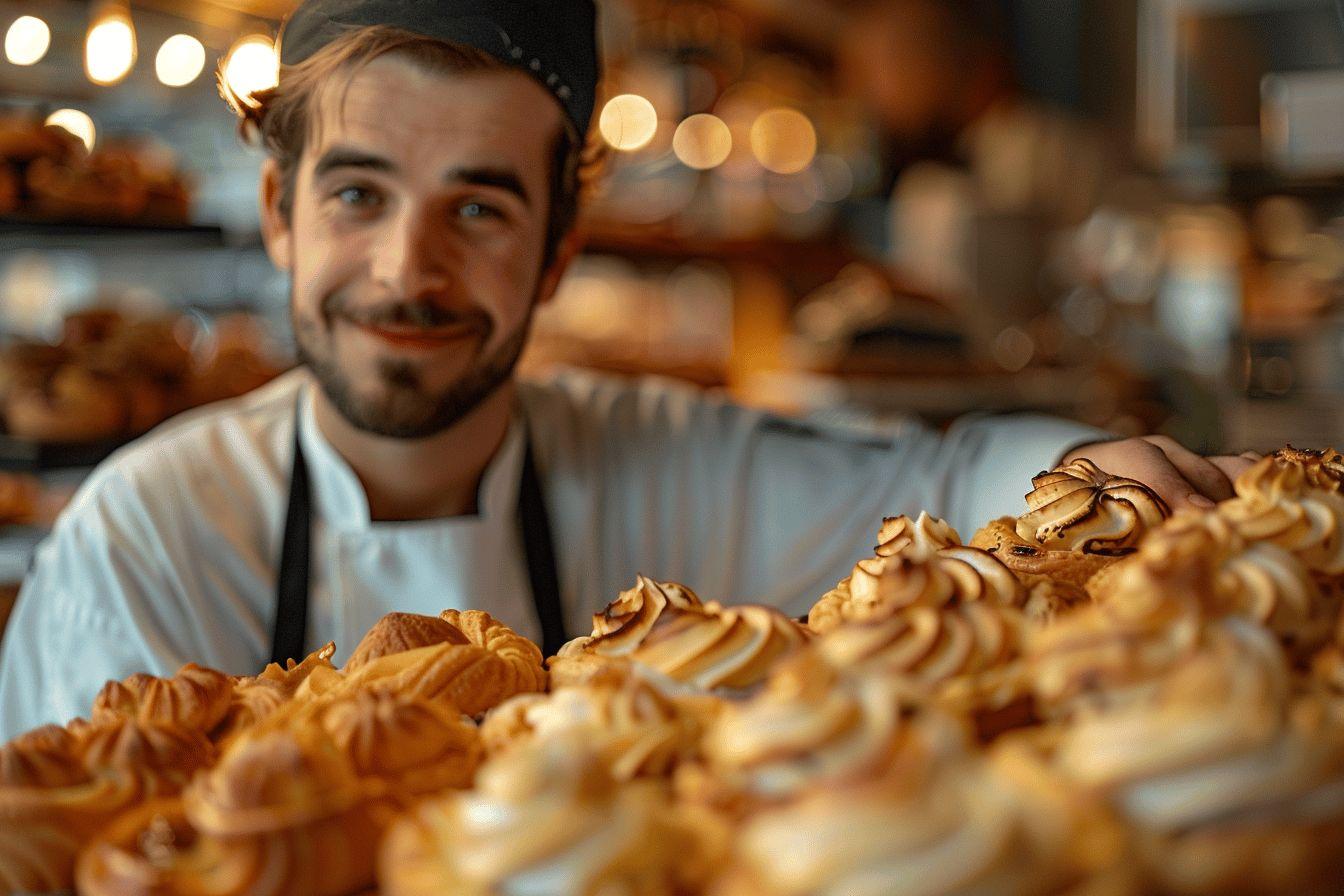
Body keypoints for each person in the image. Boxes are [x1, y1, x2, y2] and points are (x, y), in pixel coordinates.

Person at [0, 0, 1256, 740]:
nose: (408, 267)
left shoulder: (655, 457)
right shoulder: (145, 541)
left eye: (480, 208)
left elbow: (948, 467)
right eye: (357, 193)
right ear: (279, 213)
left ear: (558, 250)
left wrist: (1092, 470)